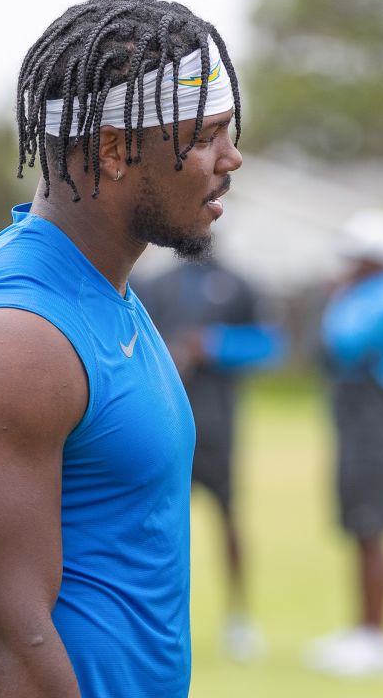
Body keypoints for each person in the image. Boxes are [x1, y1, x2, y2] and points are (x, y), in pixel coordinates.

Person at [0, 0, 243, 698]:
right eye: (203, 136)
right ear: (113, 150)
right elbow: (5, 648)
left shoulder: (106, 296)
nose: (231, 156)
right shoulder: (14, 339)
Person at [131, 256, 284, 661]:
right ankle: (150, 622)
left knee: (229, 520)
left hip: (218, 428)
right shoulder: (155, 282)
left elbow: (270, 344)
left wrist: (215, 345)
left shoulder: (237, 282)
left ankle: (239, 620)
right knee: (155, 528)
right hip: (160, 425)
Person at [306, 208, 383, 679]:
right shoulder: (377, 291)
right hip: (355, 414)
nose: (347, 265)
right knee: (359, 528)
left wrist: (339, 297)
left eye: (357, 257)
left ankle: (377, 638)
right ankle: (363, 631)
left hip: (372, 415)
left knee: (371, 525)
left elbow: (342, 342)